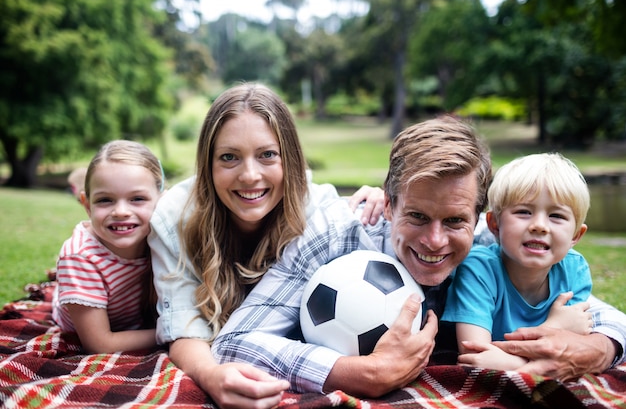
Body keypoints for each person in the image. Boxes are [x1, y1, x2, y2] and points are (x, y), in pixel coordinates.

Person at [213, 116, 626, 398]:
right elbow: (233, 343)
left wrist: (600, 349)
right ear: (388, 204)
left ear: (481, 218)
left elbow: (602, 314)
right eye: (417, 216)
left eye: (454, 221)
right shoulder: (331, 244)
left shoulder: (492, 247)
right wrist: (349, 372)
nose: (434, 240)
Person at [148, 83, 384, 409]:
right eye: (229, 157)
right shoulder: (175, 218)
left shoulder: (318, 209)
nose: (250, 175)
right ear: (207, 164)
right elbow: (184, 330)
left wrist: (385, 204)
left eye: (267, 155)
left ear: (291, 158)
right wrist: (211, 375)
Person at [442, 153, 593, 371]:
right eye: (524, 212)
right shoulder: (478, 269)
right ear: (494, 225)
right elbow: (474, 354)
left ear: (576, 235)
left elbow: (569, 352)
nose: (539, 226)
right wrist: (554, 327)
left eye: (557, 216)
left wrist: (512, 363)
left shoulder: (574, 270)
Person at [52, 140, 164, 354]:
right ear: (87, 205)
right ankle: (63, 290)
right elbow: (99, 344)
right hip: (93, 327)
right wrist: (174, 330)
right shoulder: (80, 256)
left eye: (137, 198)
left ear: (160, 200)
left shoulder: (161, 233)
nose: (121, 211)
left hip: (134, 317)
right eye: (105, 200)